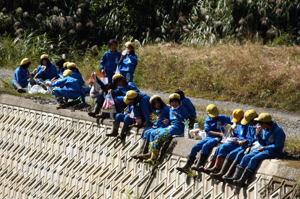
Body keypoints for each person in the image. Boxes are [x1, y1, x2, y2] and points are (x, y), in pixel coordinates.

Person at [229, 113, 286, 187]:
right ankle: (235, 177)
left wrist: (265, 148)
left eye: (260, 123)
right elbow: (263, 142)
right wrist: (258, 135)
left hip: (274, 151)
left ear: (264, 123)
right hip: (265, 149)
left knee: (254, 159)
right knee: (246, 157)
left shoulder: (278, 131)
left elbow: (278, 146)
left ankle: (242, 180)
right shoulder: (265, 129)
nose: (259, 125)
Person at [176, 104, 231, 174]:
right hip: (211, 136)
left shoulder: (221, 118)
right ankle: (187, 165)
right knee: (195, 147)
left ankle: (199, 164)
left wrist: (233, 126)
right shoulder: (207, 120)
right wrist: (218, 133)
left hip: (218, 138)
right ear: (208, 114)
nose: (214, 117)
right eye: (212, 115)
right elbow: (208, 131)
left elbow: (232, 120)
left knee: (206, 146)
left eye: (215, 115)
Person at [143, 93, 188, 165]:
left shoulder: (182, 109)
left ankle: (154, 158)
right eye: (172, 102)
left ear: (179, 102)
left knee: (159, 136)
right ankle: (151, 152)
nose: (174, 104)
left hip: (178, 127)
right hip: (171, 126)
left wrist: (178, 116)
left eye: (176, 102)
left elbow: (186, 120)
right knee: (154, 133)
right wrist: (167, 121)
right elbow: (171, 121)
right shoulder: (171, 109)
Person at [205, 109, 247, 175]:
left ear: (242, 118)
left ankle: (219, 169)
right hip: (236, 141)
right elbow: (237, 134)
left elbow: (247, 137)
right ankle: (213, 165)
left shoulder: (246, 125)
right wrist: (232, 133)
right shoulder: (239, 124)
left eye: (237, 120)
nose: (237, 122)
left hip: (241, 143)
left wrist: (241, 141)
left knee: (223, 148)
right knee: (219, 147)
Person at [221, 110, 258, 182]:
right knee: (231, 153)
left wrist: (246, 141)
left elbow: (253, 139)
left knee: (241, 155)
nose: (237, 122)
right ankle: (226, 173)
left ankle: (236, 177)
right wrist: (233, 134)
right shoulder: (249, 125)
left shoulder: (252, 126)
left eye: (238, 120)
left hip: (250, 146)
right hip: (245, 144)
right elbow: (245, 136)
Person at [131, 95, 170, 159]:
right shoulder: (158, 110)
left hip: (164, 126)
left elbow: (161, 121)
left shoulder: (165, 109)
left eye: (158, 102)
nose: (157, 104)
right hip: (159, 125)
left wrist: (154, 125)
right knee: (146, 131)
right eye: (155, 104)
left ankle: (147, 152)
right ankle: (141, 152)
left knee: (149, 132)